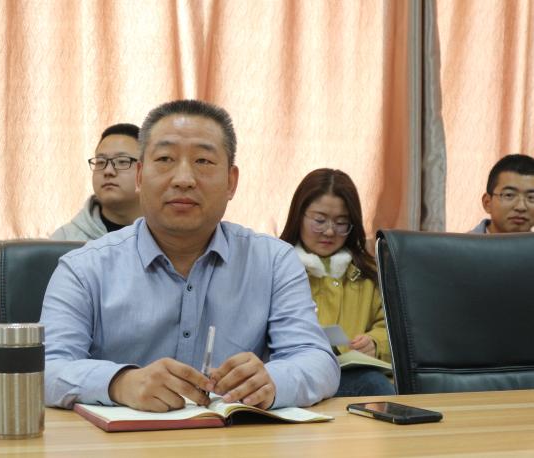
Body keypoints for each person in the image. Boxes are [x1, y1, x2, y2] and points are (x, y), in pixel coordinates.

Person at [41, 100, 339, 412]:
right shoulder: (83, 268)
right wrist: (120, 383)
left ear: (231, 182)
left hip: (236, 437)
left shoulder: (274, 261)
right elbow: (46, 367)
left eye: (203, 161)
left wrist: (272, 381)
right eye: (165, 159)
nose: (183, 178)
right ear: (140, 176)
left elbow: (317, 360)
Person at [280, 168, 394, 396]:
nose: (330, 232)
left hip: (353, 377)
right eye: (319, 221)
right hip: (294, 377)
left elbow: (395, 329)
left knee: (374, 383)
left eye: (341, 223)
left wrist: (375, 343)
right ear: (299, 216)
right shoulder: (278, 268)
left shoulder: (369, 272)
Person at [51, 123, 142, 241]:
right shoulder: (65, 240)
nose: (108, 171)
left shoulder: (163, 237)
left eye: (122, 161)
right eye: (101, 162)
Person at [470, 154, 534, 234]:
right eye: (509, 195)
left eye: (531, 197)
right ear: (487, 203)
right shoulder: (460, 242)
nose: (521, 207)